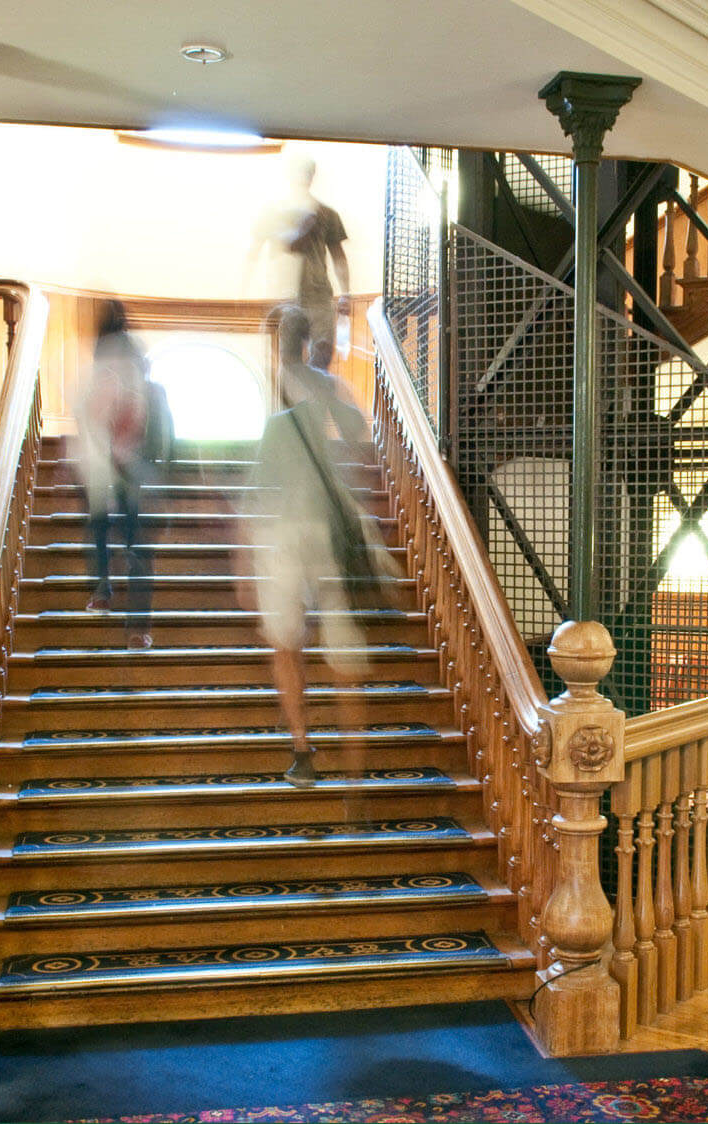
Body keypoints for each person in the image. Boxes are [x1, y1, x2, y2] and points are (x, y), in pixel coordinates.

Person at [248, 309, 389, 788]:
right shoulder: (334, 393)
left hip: (288, 538)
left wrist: (243, 555)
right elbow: (363, 449)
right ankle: (354, 778)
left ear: (283, 344)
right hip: (334, 535)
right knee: (343, 656)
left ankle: (303, 750)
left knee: (287, 646)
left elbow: (260, 491)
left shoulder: (280, 406)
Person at [75, 301, 170, 645]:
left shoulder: (98, 367)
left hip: (107, 467)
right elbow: (147, 423)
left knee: (102, 530)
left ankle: (103, 592)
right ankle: (137, 628)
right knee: (137, 547)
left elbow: (89, 417)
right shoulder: (132, 362)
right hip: (128, 468)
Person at [247, 156, 351, 370]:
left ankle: (315, 391)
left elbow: (338, 256)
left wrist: (346, 293)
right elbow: (254, 251)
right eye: (299, 172)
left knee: (321, 357)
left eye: (307, 172)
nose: (303, 177)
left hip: (318, 296)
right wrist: (245, 289)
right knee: (287, 361)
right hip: (284, 296)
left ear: (313, 176)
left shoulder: (327, 214)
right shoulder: (273, 212)